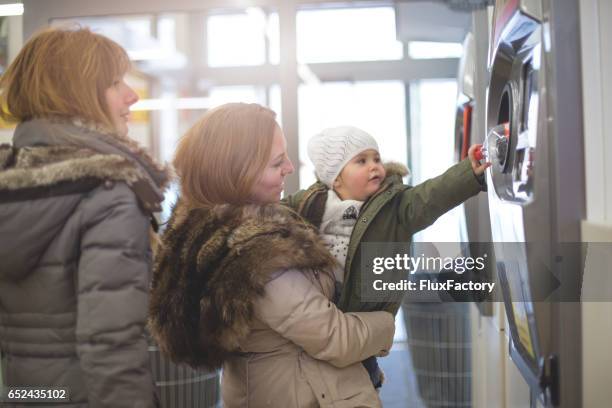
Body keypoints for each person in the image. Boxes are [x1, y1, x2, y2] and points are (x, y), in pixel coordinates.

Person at [148, 103, 395, 407]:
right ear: (238, 171)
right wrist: (387, 322)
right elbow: (335, 338)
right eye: (277, 162)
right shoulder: (256, 255)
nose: (290, 168)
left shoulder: (202, 236)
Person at [0, 27, 168, 406]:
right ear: (75, 95)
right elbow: (111, 347)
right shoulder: (107, 193)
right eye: (114, 83)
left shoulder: (11, 184)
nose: (132, 95)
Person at [283, 126, 489, 388]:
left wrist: (468, 174)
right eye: (361, 161)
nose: (375, 167)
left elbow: (430, 197)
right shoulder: (310, 203)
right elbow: (273, 214)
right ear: (335, 179)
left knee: (360, 385)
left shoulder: (395, 206)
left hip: (362, 321)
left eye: (376, 159)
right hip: (319, 317)